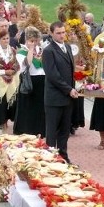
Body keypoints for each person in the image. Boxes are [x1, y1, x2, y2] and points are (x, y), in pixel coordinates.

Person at [42, 21, 79, 163]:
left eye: (63, 32)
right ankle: (50, 159)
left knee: (64, 131)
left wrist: (74, 87)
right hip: (54, 98)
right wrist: (69, 89)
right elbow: (52, 75)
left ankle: (63, 157)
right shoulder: (48, 51)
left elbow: (69, 71)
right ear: (51, 34)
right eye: (58, 33)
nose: (62, 35)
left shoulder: (68, 47)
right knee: (52, 131)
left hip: (68, 98)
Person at [14, 27, 46, 137]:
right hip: (29, 81)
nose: (34, 43)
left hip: (42, 81)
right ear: (26, 40)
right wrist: (31, 49)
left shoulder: (41, 50)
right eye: (31, 40)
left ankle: (40, 130)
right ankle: (26, 130)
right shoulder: (21, 52)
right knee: (28, 107)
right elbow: (27, 64)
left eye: (36, 40)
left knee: (40, 107)